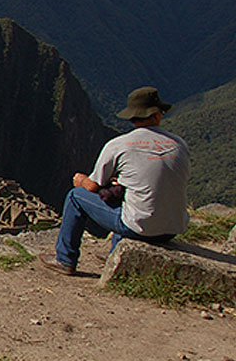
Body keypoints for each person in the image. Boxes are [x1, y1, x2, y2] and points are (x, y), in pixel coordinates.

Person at [39, 86, 190, 275]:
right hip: (173, 227)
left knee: (75, 197)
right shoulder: (179, 144)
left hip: (140, 227)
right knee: (130, 196)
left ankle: (64, 259)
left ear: (132, 117)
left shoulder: (119, 145)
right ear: (158, 115)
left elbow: (94, 186)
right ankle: (116, 254)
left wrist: (81, 181)